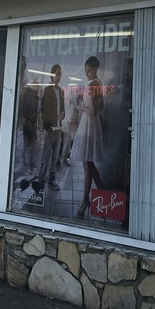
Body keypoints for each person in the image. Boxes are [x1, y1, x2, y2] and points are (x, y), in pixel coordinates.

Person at [70, 55, 106, 217]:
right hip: (92, 126)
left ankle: (85, 200)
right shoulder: (98, 84)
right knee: (89, 163)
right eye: (86, 71)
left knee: (87, 164)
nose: (87, 74)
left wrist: (81, 106)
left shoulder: (93, 85)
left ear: (95, 69)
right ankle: (102, 193)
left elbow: (92, 111)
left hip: (89, 126)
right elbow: (102, 106)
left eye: (89, 71)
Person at [37, 64, 64, 191]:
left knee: (55, 158)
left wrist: (62, 115)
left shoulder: (62, 91)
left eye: (60, 74)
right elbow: (41, 109)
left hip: (59, 130)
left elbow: (62, 110)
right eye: (57, 74)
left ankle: (51, 180)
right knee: (45, 157)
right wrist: (46, 126)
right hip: (50, 129)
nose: (59, 76)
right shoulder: (47, 90)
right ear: (52, 75)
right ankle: (41, 180)